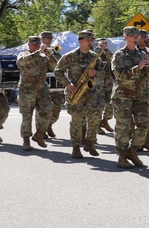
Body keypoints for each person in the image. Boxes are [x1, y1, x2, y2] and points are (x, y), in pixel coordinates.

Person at [54, 29, 104, 159]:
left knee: (95, 118)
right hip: (75, 92)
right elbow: (58, 72)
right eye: (88, 39)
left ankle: (89, 142)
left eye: (92, 40)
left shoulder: (95, 57)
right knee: (77, 120)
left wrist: (96, 74)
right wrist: (68, 84)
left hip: (91, 92)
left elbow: (105, 74)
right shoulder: (69, 56)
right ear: (80, 41)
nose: (91, 42)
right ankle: (75, 147)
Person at [110, 26, 149, 169]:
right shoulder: (119, 55)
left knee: (144, 124)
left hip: (140, 94)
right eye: (132, 35)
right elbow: (119, 76)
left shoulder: (142, 54)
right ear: (125, 36)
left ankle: (133, 151)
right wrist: (137, 68)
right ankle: (122, 156)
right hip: (123, 96)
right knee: (124, 126)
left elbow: (147, 76)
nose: (135, 37)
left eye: (137, 35)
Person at [16, 36, 54, 150]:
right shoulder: (23, 54)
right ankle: (26, 140)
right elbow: (21, 62)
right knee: (27, 117)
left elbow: (55, 67)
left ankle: (39, 134)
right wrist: (39, 52)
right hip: (27, 90)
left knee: (48, 111)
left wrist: (50, 55)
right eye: (34, 44)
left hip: (42, 90)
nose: (36, 46)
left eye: (38, 44)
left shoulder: (43, 57)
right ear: (28, 44)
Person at [39, 31, 63, 138]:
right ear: (42, 39)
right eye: (46, 38)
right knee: (43, 109)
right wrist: (41, 52)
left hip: (54, 84)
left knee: (57, 108)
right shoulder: (35, 50)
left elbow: (59, 65)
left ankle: (49, 125)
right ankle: (41, 130)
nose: (49, 40)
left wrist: (51, 54)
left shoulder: (55, 50)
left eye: (50, 38)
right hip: (41, 84)